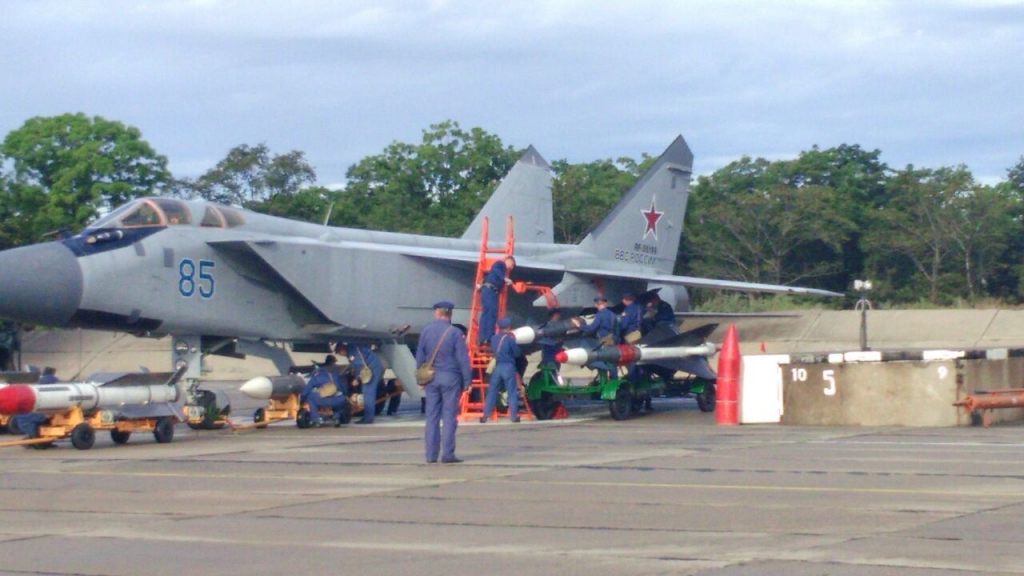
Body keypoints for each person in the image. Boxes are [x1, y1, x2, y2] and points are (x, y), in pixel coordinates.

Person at [416, 300, 472, 464]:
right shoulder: (454, 332)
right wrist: (467, 382)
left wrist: (420, 378)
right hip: (450, 378)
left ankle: (431, 455)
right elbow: (463, 359)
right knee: (449, 417)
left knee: (431, 417)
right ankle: (448, 455)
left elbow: (420, 356)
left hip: (431, 379)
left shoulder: (426, 331)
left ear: (436, 313)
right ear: (450, 314)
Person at [480, 317, 521, 423]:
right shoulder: (509, 339)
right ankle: (513, 416)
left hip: (498, 367)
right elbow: (517, 353)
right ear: (508, 327)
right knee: (512, 391)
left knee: (492, 391)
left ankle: (485, 415)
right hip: (508, 366)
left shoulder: (494, 338)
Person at [337, 342, 383, 424]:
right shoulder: (352, 348)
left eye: (339, 353)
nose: (341, 355)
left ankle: (368, 418)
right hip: (372, 366)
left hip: (371, 369)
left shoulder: (351, 352)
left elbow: (359, 366)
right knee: (367, 392)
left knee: (368, 393)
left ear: (341, 350)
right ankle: (368, 417)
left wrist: (357, 378)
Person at [476, 255, 515, 346]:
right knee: (492, 313)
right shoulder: (500, 264)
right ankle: (489, 337)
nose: (511, 268)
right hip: (490, 291)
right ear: (508, 261)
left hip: (487, 290)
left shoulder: (493, 274)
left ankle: (482, 338)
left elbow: (491, 275)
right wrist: (505, 278)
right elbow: (496, 270)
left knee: (486, 314)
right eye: (512, 265)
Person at [300, 355, 348, 427]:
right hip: (337, 400)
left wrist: (302, 399)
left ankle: (315, 419)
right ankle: (336, 418)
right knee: (341, 398)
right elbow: (344, 390)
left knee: (310, 397)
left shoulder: (316, 376)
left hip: (322, 400)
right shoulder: (335, 375)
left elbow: (306, 390)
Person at [538, 308, 564, 375]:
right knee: (554, 372)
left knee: (549, 372)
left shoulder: (545, 325)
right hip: (553, 353)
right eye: (558, 314)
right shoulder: (559, 325)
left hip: (548, 354)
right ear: (555, 315)